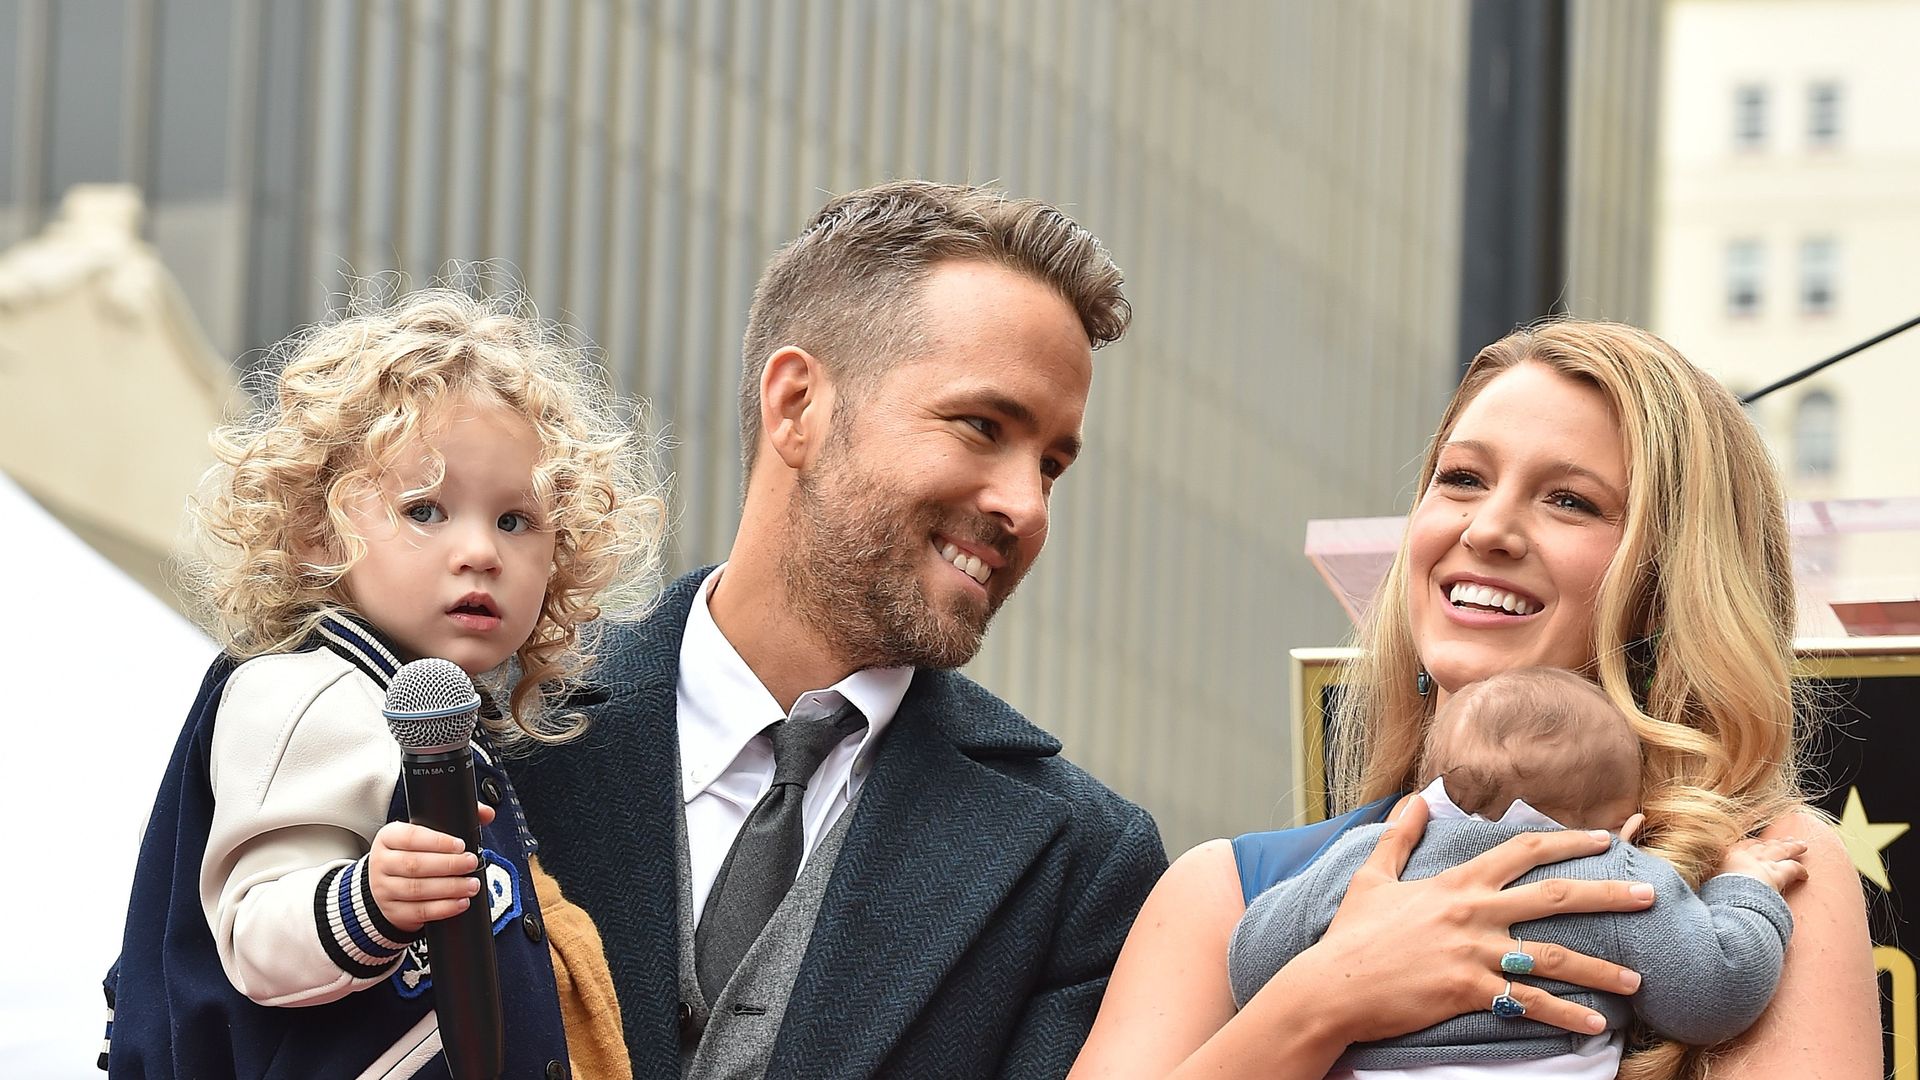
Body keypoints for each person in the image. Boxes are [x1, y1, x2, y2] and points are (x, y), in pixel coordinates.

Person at [1070, 319, 1878, 1080]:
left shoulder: (1764, 868)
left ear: (1673, 587)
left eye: (1570, 500)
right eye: (1462, 479)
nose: (1488, 527)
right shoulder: (1229, 889)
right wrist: (1323, 999)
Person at [507, 180, 1169, 1079]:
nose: (1025, 505)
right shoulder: (495, 724)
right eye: (982, 426)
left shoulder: (1083, 864)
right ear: (796, 406)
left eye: (1051, 466)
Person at [104, 286, 668, 1079]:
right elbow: (258, 934)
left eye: (515, 521)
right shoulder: (304, 694)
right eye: (426, 511)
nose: (479, 551)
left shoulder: (422, 711)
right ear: (313, 531)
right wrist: (370, 900)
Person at [1230, 666, 1807, 1078]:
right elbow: (1715, 994)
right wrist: (1746, 889)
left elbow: (1252, 967)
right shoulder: (1614, 877)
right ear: (1627, 828)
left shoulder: (1367, 860)